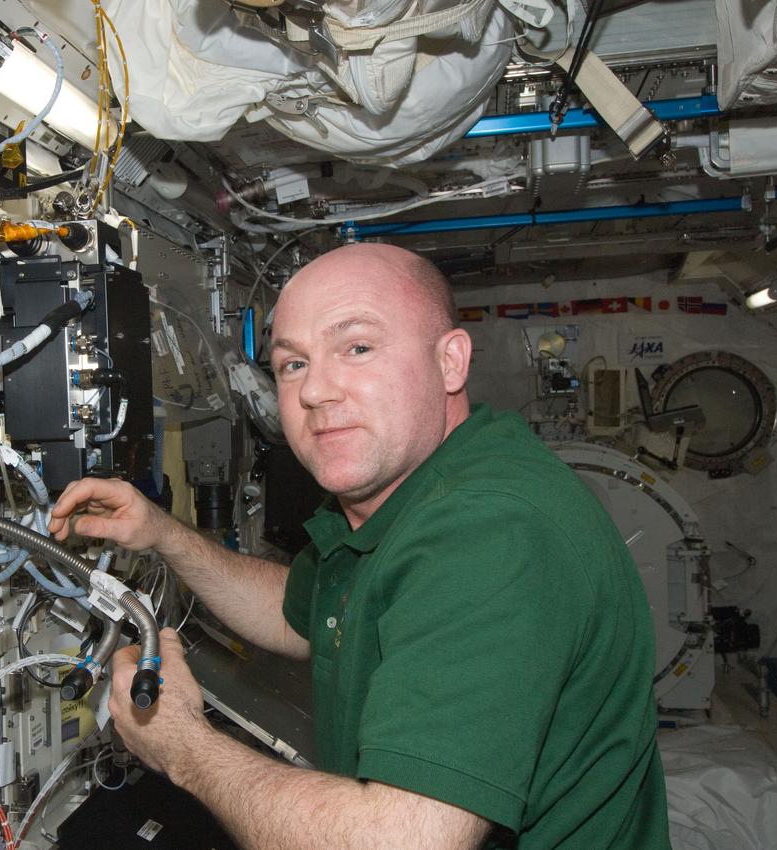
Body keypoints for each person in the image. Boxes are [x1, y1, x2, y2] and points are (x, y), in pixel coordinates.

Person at [49, 243, 671, 850]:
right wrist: (163, 533)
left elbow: (403, 838)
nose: (316, 390)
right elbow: (305, 615)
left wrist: (179, 744)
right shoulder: (406, 497)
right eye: (293, 364)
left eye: (358, 347)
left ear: (451, 362)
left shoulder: (489, 533)